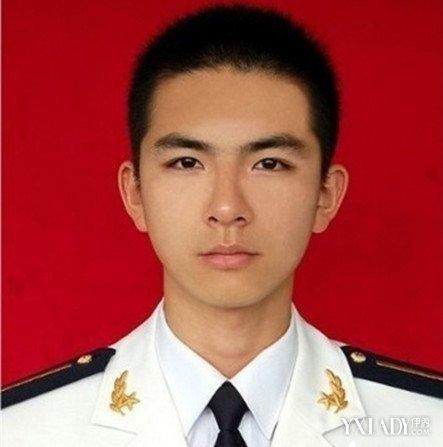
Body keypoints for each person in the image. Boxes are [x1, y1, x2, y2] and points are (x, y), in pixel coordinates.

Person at [2, 4, 442, 446]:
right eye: (187, 162)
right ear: (135, 193)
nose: (228, 207)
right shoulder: (23, 430)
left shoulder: (427, 424)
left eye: (269, 163)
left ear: (326, 194)